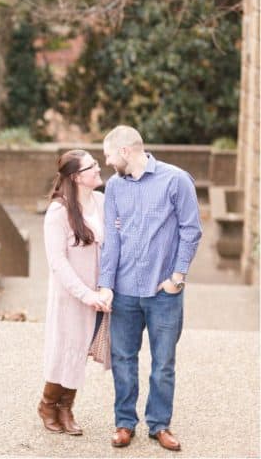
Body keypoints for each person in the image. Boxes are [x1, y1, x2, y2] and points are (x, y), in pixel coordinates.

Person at [98, 125, 202, 452]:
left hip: (163, 293)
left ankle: (159, 424)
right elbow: (112, 240)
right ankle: (124, 422)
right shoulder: (114, 187)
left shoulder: (176, 180)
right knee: (123, 358)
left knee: (163, 362)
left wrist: (177, 277)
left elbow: (191, 231)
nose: (107, 162)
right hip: (125, 291)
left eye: (109, 155)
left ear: (125, 152)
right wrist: (106, 284)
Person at [39, 149, 113, 436]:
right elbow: (57, 263)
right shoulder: (59, 212)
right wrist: (86, 294)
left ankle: (66, 407)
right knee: (64, 351)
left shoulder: (103, 202)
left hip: (99, 295)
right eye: (91, 166)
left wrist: (106, 289)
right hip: (72, 296)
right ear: (76, 177)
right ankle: (48, 405)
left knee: (80, 352)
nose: (98, 168)